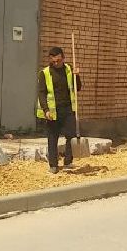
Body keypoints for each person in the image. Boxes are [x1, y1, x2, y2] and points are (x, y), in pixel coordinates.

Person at [36, 46, 82, 174]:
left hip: (68, 109)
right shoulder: (44, 73)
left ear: (63, 58)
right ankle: (53, 165)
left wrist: (77, 76)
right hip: (53, 111)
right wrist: (46, 110)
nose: (56, 63)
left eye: (58, 61)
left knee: (71, 136)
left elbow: (77, 88)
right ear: (50, 60)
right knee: (52, 137)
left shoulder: (69, 69)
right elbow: (41, 93)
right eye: (53, 61)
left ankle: (68, 162)